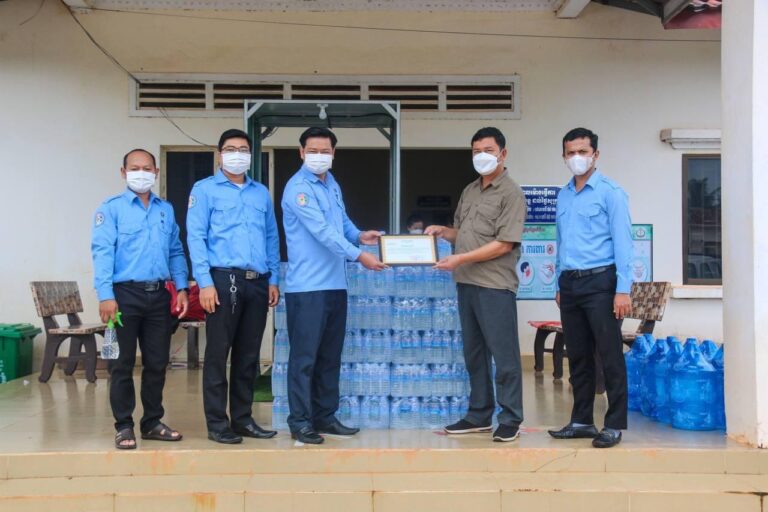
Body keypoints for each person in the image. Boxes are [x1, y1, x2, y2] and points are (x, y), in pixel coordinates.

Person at [281, 127, 386, 444]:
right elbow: (323, 231)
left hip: (335, 285)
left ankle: (325, 417)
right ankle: (300, 421)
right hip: (307, 289)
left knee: (329, 357)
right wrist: (359, 255)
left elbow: (341, 222)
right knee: (304, 360)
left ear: (333, 153)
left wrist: (360, 236)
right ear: (301, 153)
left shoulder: (331, 183)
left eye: (324, 151)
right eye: (312, 151)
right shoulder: (298, 189)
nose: (319, 156)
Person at [425, 127, 527, 443]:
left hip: (494, 285)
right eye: (476, 151)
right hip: (467, 283)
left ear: (503, 154)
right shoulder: (470, 190)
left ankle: (510, 418)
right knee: (474, 354)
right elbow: (465, 234)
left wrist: (460, 258)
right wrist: (444, 232)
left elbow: (504, 243)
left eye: (488, 150)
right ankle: (479, 414)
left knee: (504, 355)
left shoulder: (511, 193)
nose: (481, 156)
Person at [186, 129, 280, 444]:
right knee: (217, 354)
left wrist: (273, 279)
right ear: (219, 154)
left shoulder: (260, 193)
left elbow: (271, 237)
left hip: (257, 282)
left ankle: (242, 419)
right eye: (230, 149)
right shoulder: (204, 190)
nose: (236, 154)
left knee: (248, 355)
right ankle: (217, 423)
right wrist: (204, 283)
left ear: (250, 156)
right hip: (222, 281)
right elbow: (196, 237)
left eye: (242, 149)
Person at [92, 148, 189, 450]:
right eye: (135, 168)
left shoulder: (165, 210)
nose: (141, 173)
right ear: (123, 172)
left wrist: (182, 288)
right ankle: (123, 426)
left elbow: (175, 250)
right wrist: (105, 295)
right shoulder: (111, 209)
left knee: (157, 363)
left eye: (147, 168)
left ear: (156, 172)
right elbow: (102, 252)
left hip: (158, 295)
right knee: (120, 363)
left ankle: (152, 422)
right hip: (123, 296)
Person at [547, 127, 633, 449]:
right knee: (578, 355)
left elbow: (624, 243)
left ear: (595, 155)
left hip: (601, 282)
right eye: (571, 153)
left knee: (609, 355)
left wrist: (622, 289)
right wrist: (559, 281)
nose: (577, 158)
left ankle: (614, 424)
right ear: (563, 156)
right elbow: (561, 241)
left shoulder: (611, 193)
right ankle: (582, 420)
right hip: (570, 284)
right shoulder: (564, 195)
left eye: (583, 152)